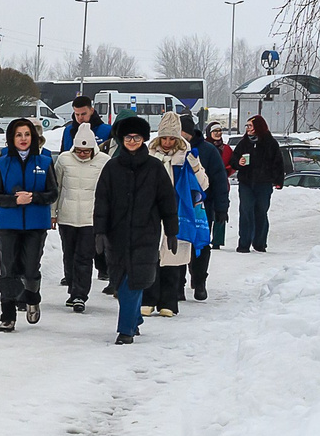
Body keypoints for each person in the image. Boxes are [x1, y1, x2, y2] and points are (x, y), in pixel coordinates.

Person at [91, 115, 177, 345]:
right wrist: (99, 231)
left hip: (145, 233)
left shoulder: (155, 167)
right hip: (116, 234)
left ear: (143, 139)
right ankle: (135, 317)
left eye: (136, 137)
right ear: (121, 139)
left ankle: (126, 330)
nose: (131, 141)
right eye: (128, 137)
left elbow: (167, 201)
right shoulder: (112, 167)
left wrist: (171, 231)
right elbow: (102, 201)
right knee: (120, 280)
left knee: (134, 279)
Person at [0, 117, 54, 331]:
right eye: (19, 135)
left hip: (36, 224)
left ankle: (32, 297)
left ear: (33, 137)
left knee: (30, 269)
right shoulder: (2, 163)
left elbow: (53, 193)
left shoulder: (44, 162)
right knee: (8, 270)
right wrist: (15, 200)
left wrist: (34, 197)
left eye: (27, 134)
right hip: (8, 223)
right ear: (12, 138)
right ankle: (7, 315)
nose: (23, 138)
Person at [148, 112, 210, 317]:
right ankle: (149, 299)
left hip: (178, 213)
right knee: (151, 258)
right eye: (164, 138)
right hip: (153, 214)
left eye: (171, 138)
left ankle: (169, 301)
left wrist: (195, 165)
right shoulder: (149, 156)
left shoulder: (186, 159)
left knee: (173, 260)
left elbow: (203, 185)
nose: (167, 142)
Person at [52, 128, 109, 313]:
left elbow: (107, 193)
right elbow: (57, 187)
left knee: (84, 257)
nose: (83, 154)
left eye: (86, 151)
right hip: (67, 217)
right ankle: (72, 289)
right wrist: (53, 213)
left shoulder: (104, 162)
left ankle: (80, 295)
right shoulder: (63, 160)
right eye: (79, 151)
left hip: (90, 219)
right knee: (69, 255)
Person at [233, 113, 288, 252]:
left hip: (263, 183)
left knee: (261, 211)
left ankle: (259, 243)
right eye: (247, 126)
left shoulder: (270, 143)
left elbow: (278, 163)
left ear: (258, 127)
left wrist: (278, 181)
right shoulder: (244, 143)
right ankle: (244, 244)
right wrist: (238, 162)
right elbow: (234, 159)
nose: (248, 129)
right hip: (246, 182)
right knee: (246, 211)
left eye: (250, 126)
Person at [200, 123, 233, 294]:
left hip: (221, 184)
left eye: (220, 131)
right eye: (215, 131)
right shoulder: (205, 147)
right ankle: (206, 237)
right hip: (205, 188)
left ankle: (217, 240)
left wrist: (226, 170)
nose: (218, 134)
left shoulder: (226, 149)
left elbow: (233, 163)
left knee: (220, 215)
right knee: (206, 216)